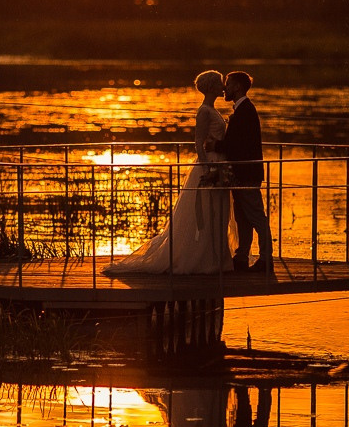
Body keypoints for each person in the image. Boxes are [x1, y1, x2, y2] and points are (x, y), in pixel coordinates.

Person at [104, 70, 234, 275]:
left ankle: (216, 257)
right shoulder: (204, 111)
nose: (224, 87)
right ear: (211, 87)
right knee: (207, 212)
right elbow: (198, 143)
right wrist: (207, 167)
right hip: (210, 165)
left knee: (218, 212)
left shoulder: (213, 110)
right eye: (220, 83)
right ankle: (200, 259)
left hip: (219, 162)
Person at [218, 71, 274, 273]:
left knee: (256, 216)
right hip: (242, 173)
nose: (225, 88)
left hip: (247, 173)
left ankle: (266, 259)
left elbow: (237, 145)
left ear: (238, 87)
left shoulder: (246, 111)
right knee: (242, 217)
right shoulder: (243, 110)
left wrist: (216, 145)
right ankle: (241, 256)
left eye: (229, 84)